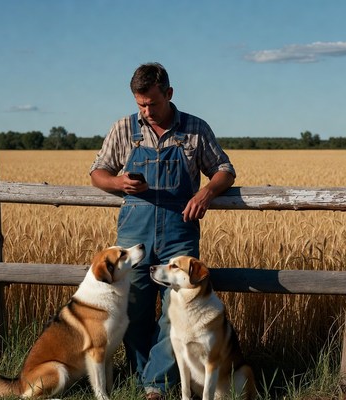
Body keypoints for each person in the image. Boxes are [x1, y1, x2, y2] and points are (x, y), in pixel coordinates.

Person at [90, 62, 236, 400]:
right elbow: (98, 172)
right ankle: (145, 377)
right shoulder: (123, 129)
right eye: (140, 104)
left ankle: (155, 387)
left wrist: (206, 192)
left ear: (169, 94)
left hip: (178, 233)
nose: (146, 110)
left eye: (152, 103)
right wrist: (118, 182)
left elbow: (224, 170)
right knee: (133, 308)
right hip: (134, 234)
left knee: (180, 309)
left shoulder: (195, 128)